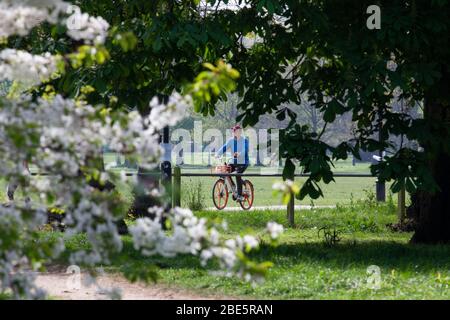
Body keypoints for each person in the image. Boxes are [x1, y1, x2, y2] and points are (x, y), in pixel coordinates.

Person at [216, 125, 249, 201]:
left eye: (237, 131)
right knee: (226, 171)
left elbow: (245, 149)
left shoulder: (244, 140)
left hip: (243, 163)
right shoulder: (231, 140)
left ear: (240, 132)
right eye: (234, 131)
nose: (235, 132)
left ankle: (240, 196)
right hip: (234, 162)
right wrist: (218, 154)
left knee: (237, 175)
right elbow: (224, 147)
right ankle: (234, 188)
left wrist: (240, 154)